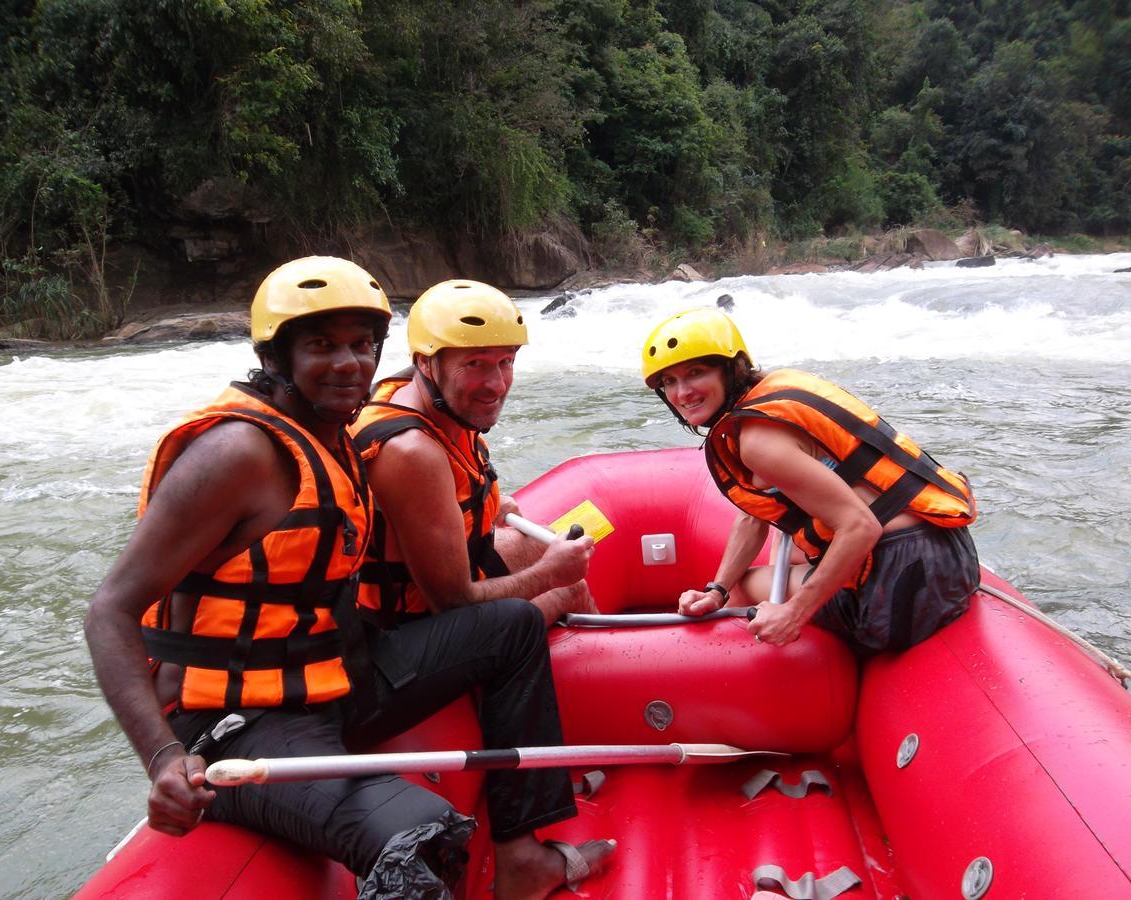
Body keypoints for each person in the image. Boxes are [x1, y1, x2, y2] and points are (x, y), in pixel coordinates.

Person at [85, 257, 613, 900]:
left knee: (513, 626)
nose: (348, 363)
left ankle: (522, 859)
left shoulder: (336, 429)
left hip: (333, 676)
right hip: (241, 720)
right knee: (416, 836)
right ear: (277, 357)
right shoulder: (236, 454)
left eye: (362, 345)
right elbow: (109, 610)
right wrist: (165, 758)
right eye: (322, 345)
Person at [641, 307, 979, 656]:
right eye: (669, 381)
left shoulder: (757, 441)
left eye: (695, 373)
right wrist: (716, 590)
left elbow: (860, 526)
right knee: (790, 556)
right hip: (947, 552)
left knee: (746, 585)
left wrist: (792, 612)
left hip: (901, 583)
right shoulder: (773, 396)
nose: (682, 393)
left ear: (730, 370)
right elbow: (753, 516)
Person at [350, 279, 598, 628]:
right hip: (410, 633)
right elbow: (451, 603)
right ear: (425, 363)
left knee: (536, 543)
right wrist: (549, 575)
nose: (496, 384)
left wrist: (493, 504)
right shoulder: (410, 452)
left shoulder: (426, 398)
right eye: (475, 364)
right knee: (572, 587)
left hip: (431, 594)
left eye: (505, 362)